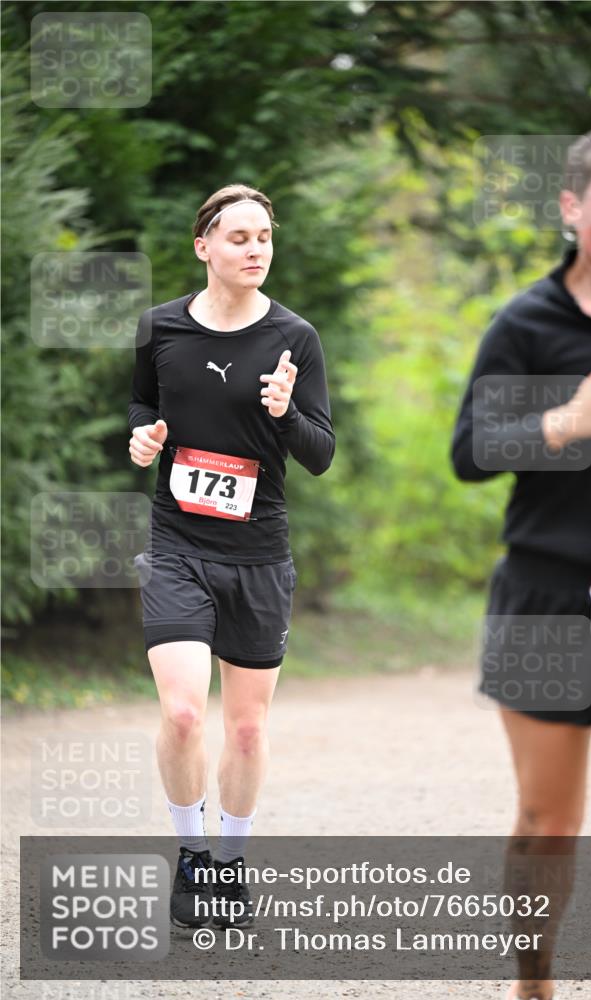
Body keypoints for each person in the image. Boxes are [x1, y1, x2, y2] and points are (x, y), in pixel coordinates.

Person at [451, 129, 591, 1000]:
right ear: (572, 206)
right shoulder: (528, 322)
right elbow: (470, 451)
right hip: (544, 591)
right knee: (547, 826)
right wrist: (564, 422)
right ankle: (532, 980)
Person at [128, 184, 334, 929]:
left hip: (257, 552)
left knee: (245, 728)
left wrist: (284, 414)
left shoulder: (294, 338)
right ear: (203, 247)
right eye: (239, 237)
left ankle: (229, 863)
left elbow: (321, 454)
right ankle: (189, 858)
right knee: (184, 713)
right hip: (178, 543)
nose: (254, 250)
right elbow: (140, 405)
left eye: (264, 238)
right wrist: (142, 437)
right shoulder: (159, 328)